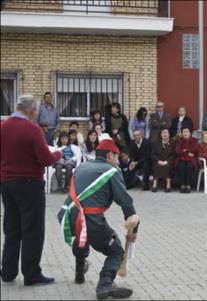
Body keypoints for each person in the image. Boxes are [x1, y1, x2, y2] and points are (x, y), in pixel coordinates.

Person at [57, 136, 139, 299]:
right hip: (90, 218)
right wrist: (133, 227)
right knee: (116, 250)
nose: (117, 161)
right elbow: (125, 201)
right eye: (116, 157)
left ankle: (80, 269)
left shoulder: (82, 167)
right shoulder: (111, 171)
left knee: (82, 237)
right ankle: (105, 283)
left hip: (66, 216)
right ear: (110, 155)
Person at [1, 95, 62, 286]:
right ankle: (31, 273)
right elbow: (45, 159)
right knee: (32, 230)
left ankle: (8, 271)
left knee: (11, 228)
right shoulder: (32, 129)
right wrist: (59, 153)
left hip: (6, 183)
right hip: (30, 184)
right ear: (32, 110)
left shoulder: (2, 126)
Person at [151, 128, 176, 192]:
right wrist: (158, 161)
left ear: (169, 134)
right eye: (163, 132)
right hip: (158, 160)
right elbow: (153, 154)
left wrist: (166, 161)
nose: (164, 134)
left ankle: (168, 185)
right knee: (156, 166)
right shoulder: (156, 142)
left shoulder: (173, 143)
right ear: (161, 134)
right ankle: (154, 185)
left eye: (166, 132)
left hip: (169, 161)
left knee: (167, 166)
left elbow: (173, 155)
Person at [175, 127, 198, 193]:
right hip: (181, 159)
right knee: (181, 167)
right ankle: (182, 185)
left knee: (189, 167)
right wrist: (188, 152)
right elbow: (177, 151)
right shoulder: (179, 141)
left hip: (191, 159)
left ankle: (188, 185)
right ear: (182, 133)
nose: (185, 133)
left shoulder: (194, 140)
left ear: (190, 133)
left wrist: (184, 150)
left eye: (187, 132)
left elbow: (195, 149)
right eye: (184, 132)